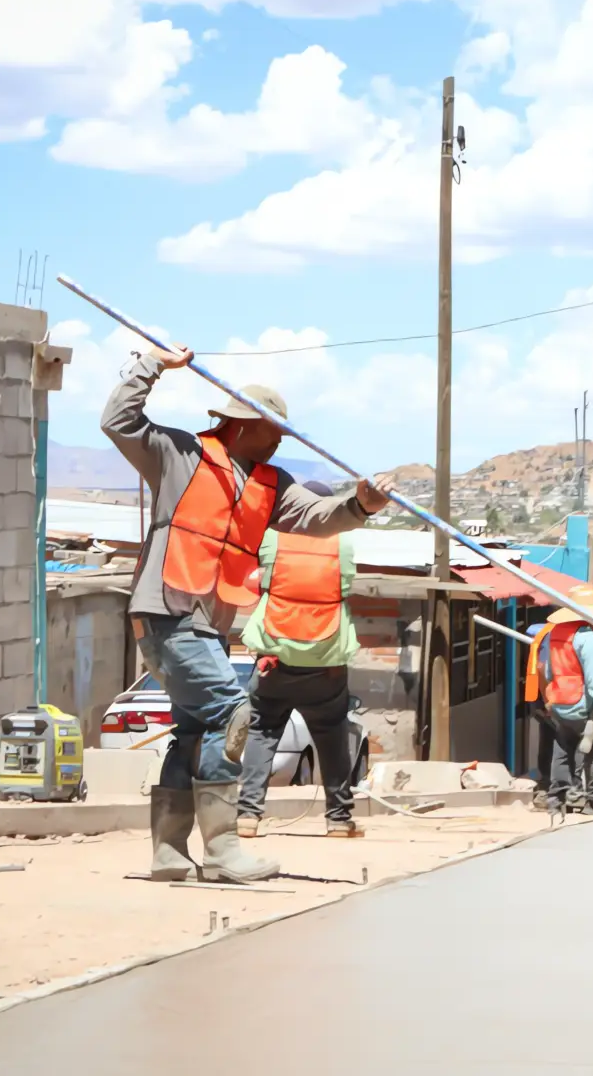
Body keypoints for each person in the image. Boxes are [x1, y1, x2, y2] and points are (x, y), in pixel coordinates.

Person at [103, 343, 395, 884]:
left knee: (193, 732)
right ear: (242, 424)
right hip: (167, 611)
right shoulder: (179, 454)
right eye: (273, 429)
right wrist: (153, 366)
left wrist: (361, 505)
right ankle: (223, 850)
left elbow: (317, 516)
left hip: (208, 624)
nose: (280, 439)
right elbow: (118, 421)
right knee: (234, 714)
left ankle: (169, 853)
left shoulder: (271, 483)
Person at [234, 482, 364, 840]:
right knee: (332, 735)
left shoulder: (272, 538)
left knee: (262, 731)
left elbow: (255, 580)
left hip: (275, 657)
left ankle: (248, 815)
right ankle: (338, 819)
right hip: (326, 660)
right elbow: (345, 587)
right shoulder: (342, 543)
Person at [523, 586, 593, 821]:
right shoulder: (586, 638)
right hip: (583, 705)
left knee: (562, 751)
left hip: (560, 703)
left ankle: (557, 801)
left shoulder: (555, 633)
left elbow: (548, 670)